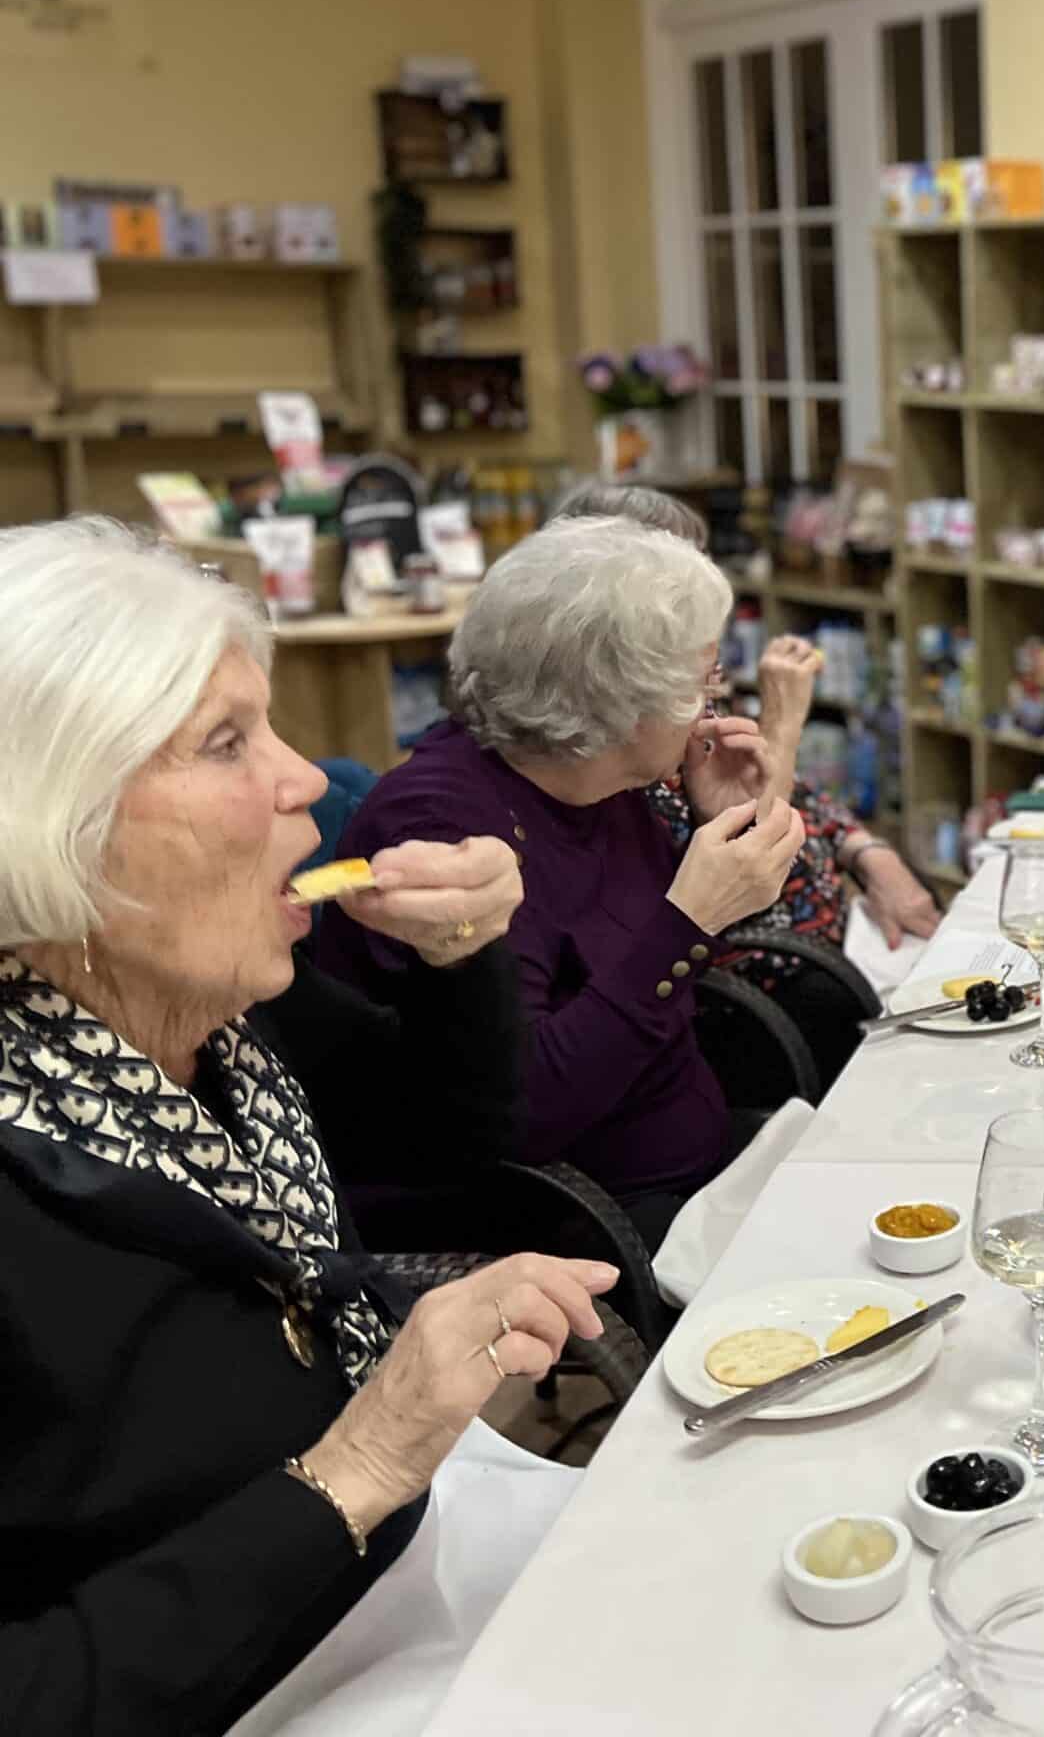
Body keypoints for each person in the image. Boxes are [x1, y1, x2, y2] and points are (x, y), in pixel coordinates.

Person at [0, 519, 616, 1732]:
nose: (307, 783)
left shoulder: (211, 1020)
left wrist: (461, 956)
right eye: (228, 742)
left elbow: (447, 1143)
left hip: (373, 1595)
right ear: (49, 824)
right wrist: (359, 1468)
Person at [317, 515, 807, 1242]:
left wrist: (709, 831)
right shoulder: (443, 827)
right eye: (702, 678)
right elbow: (524, 1110)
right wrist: (690, 917)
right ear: (617, 702)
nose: (712, 703)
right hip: (577, 1218)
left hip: (685, 1167)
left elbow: (629, 966)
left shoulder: (595, 781)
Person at [550, 482, 941, 973]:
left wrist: (869, 852)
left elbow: (792, 791)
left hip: (844, 939)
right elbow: (751, 871)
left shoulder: (691, 683)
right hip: (782, 982)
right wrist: (783, 722)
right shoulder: (623, 734)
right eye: (683, 580)